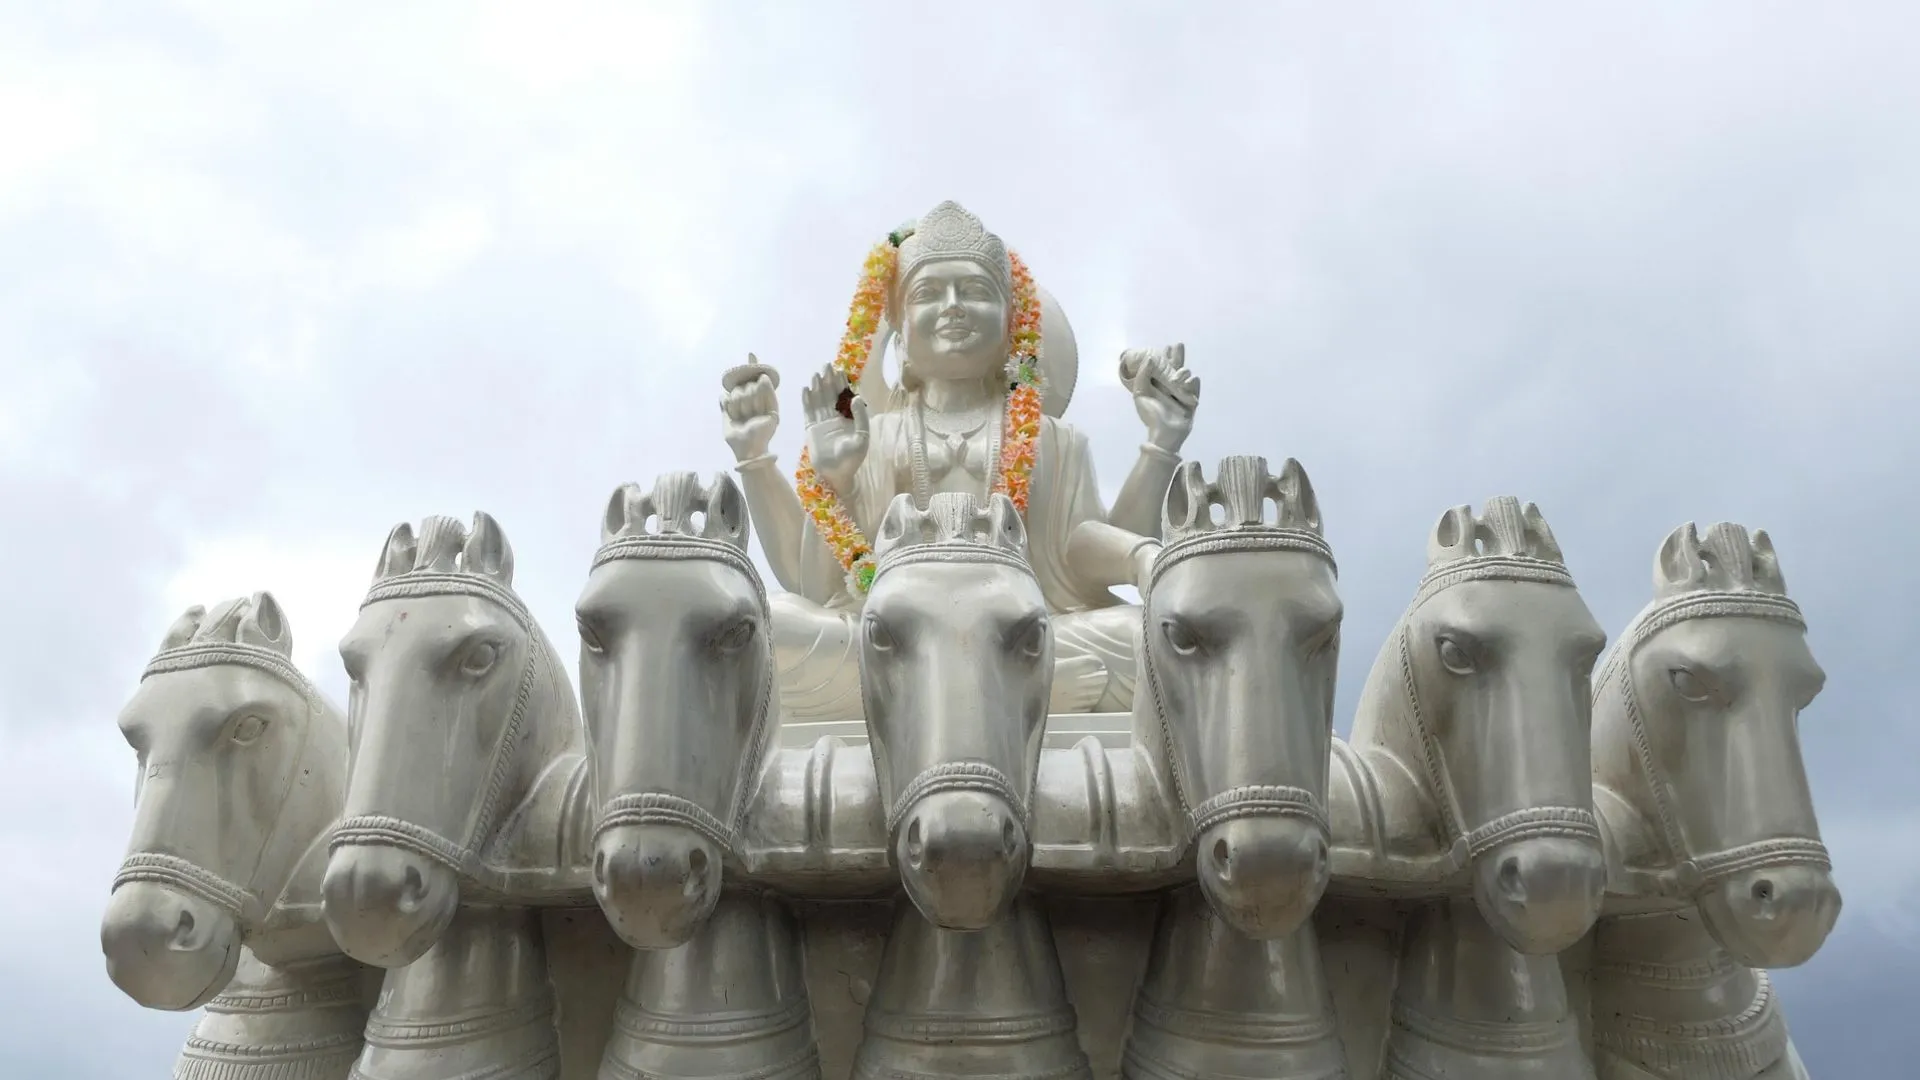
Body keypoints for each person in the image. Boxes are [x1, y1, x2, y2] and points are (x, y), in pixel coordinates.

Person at [719, 200, 1200, 720]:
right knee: (772, 627)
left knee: (1152, 636)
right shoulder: (873, 435)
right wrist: (830, 479)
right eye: (929, 294)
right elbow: (818, 589)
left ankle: (957, 689)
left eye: (974, 291)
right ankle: (1009, 691)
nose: (953, 307)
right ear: (900, 335)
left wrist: (1159, 452)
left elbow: (1080, 551)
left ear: (1012, 331)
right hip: (890, 639)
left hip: (1028, 631)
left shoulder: (1052, 439)